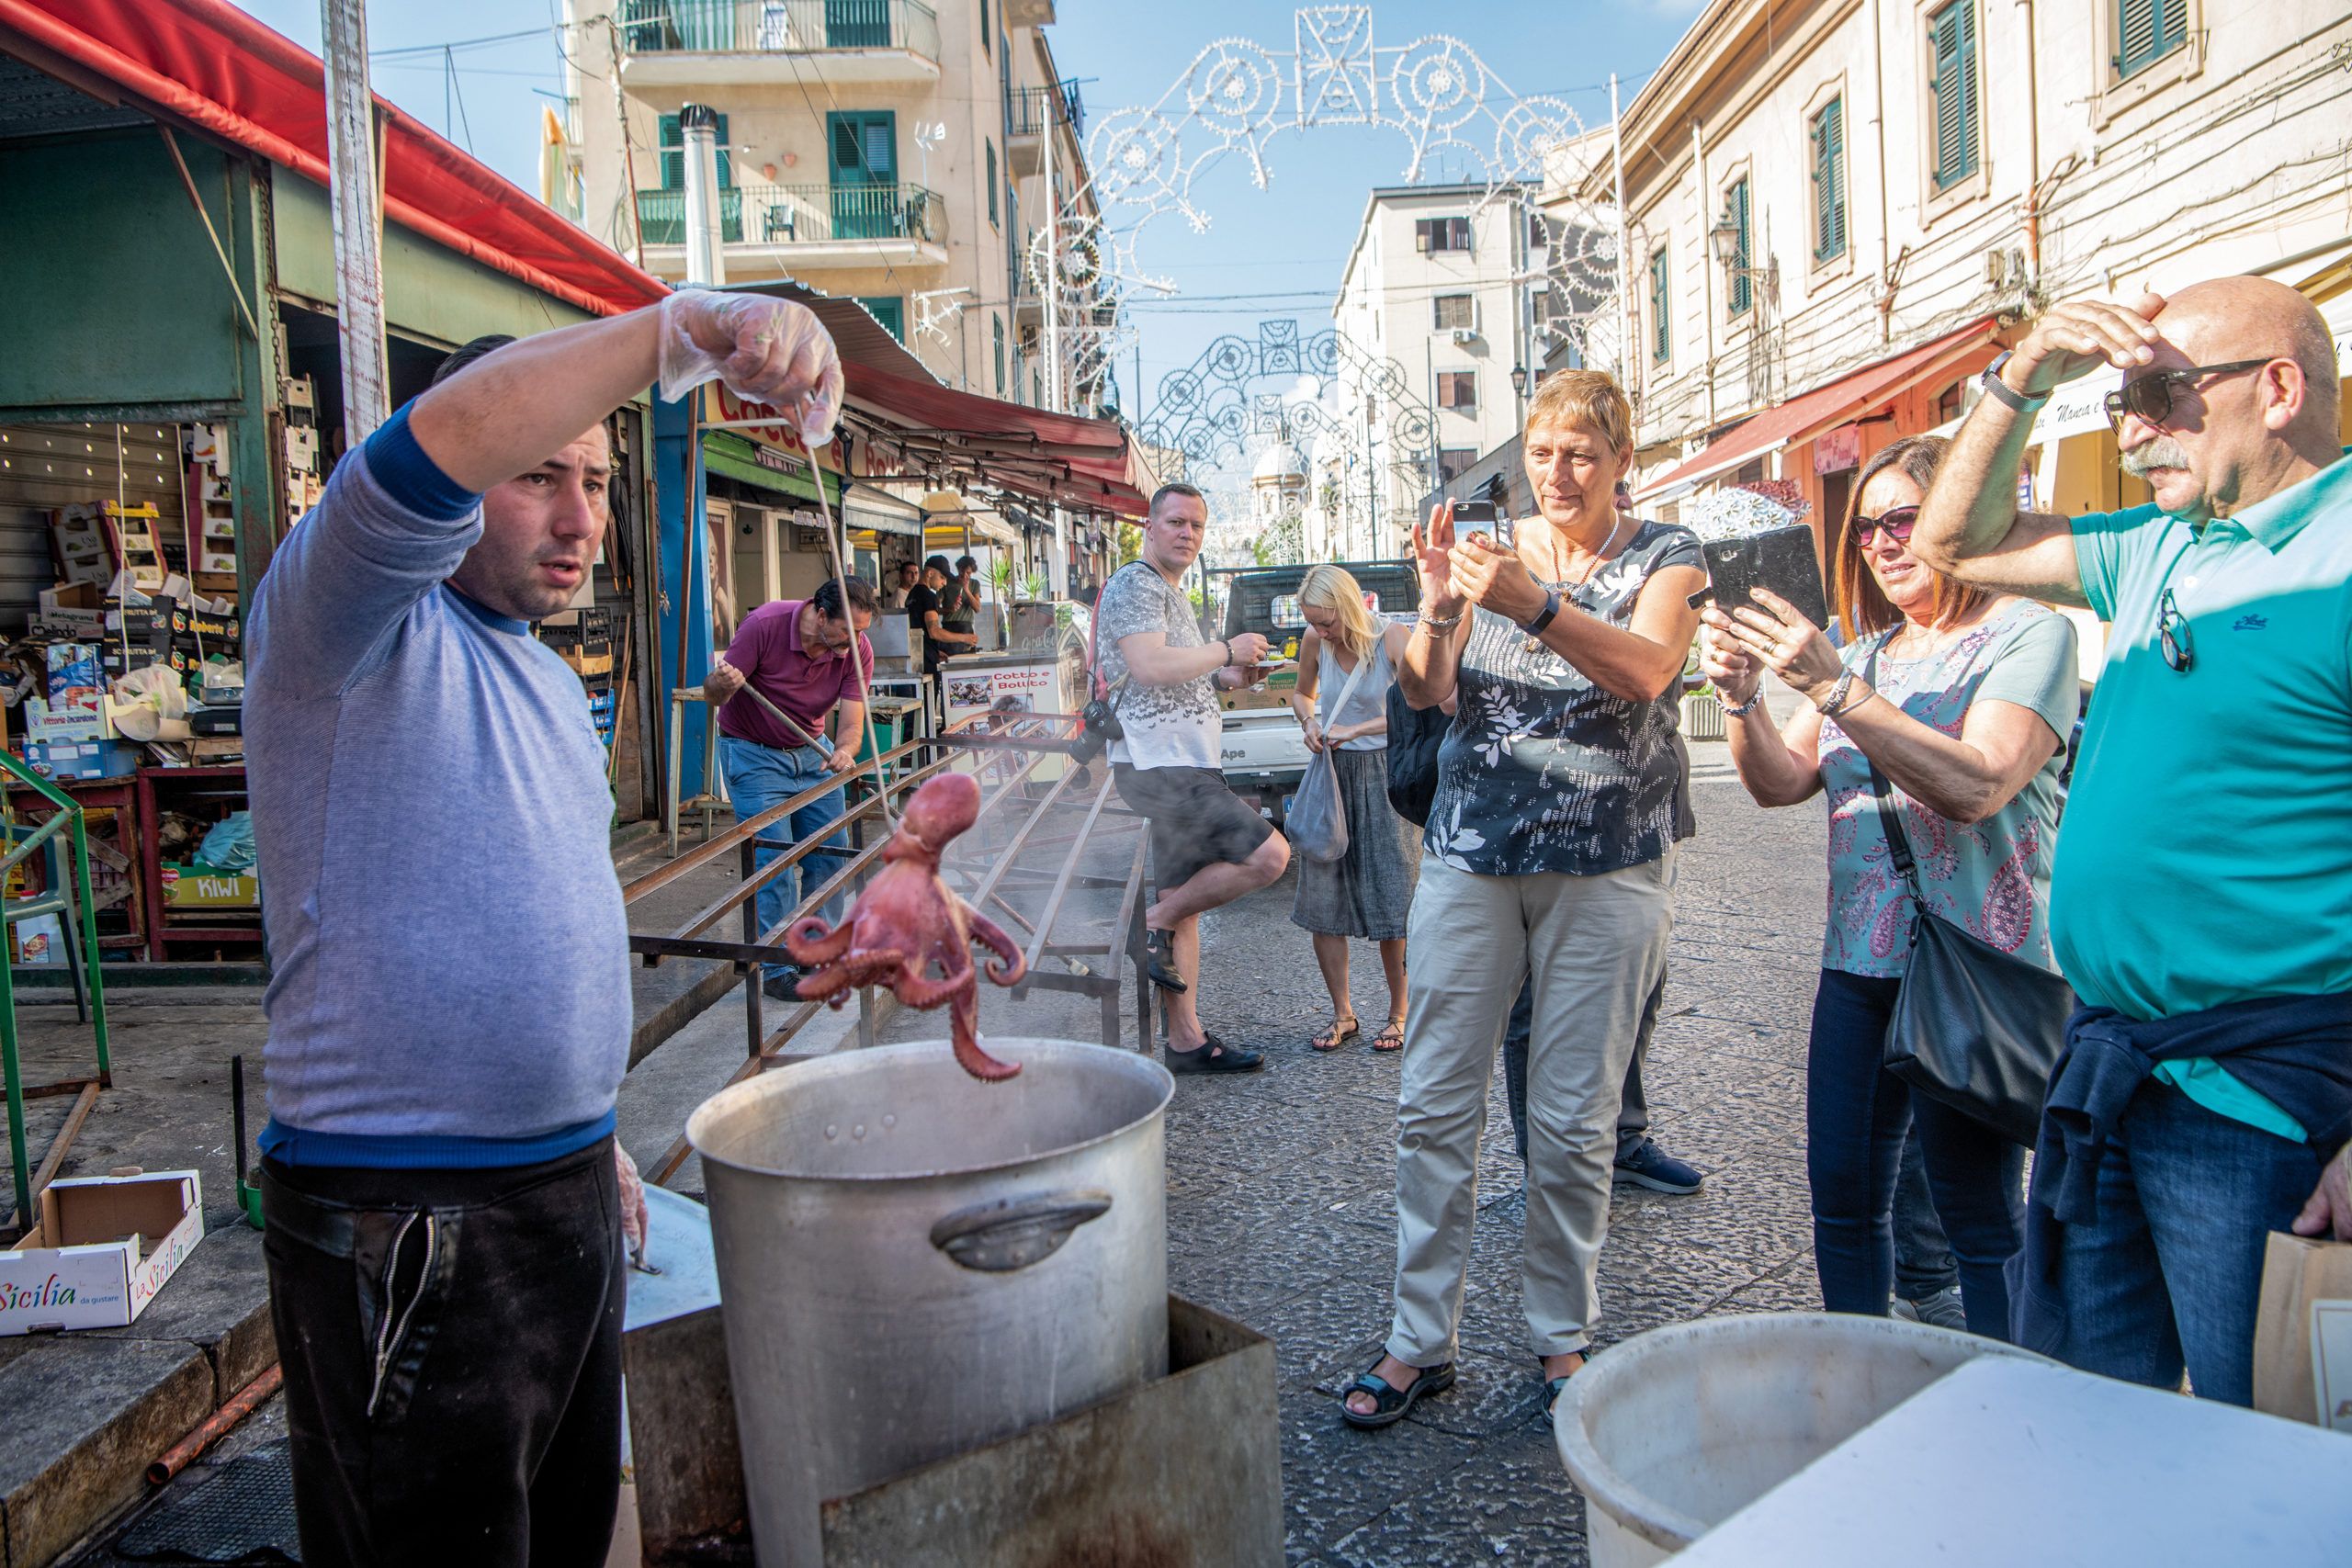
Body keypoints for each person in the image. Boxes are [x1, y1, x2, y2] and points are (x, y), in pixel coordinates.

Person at [246, 293, 841, 1561]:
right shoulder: (340, 621)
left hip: (558, 1195)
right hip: (406, 1219)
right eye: (539, 477)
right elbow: (438, 438)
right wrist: (682, 329)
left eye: (599, 481)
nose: (582, 520)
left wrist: (595, 1130)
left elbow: (523, 912)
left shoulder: (531, 663)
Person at [1907, 276, 2352, 1403]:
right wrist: (2020, 378)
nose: (2136, 427)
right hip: (2110, 1062)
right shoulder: (2155, 544)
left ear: (2279, 388)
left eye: (2161, 392)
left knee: (2271, 1458)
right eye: (2124, 401)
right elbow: (1956, 538)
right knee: (2100, 1426)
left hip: (2267, 1097)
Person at [1343, 370, 1704, 1431]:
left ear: (1619, 460)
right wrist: (1439, 607)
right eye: (1543, 451)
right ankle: (1419, 1340)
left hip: (1608, 860)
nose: (1559, 471)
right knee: (1432, 1099)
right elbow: (1423, 688)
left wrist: (1533, 604)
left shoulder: (1666, 556)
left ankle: (1561, 1337)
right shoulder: (1483, 555)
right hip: (1471, 850)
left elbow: (1646, 671)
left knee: (1574, 1117)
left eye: (1582, 452)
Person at [1700, 434, 2076, 1339]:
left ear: (1962, 518)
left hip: (1978, 972)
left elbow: (1978, 781)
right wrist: (1742, 698)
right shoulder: (1861, 655)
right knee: (1842, 1199)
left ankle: (2006, 1415)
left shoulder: (2030, 634)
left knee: (1977, 1219)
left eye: (1905, 517)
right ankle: (1859, 1393)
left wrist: (1833, 690)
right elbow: (1782, 783)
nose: (1882, 541)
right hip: (1859, 967)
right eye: (1867, 527)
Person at [1096, 482, 1292, 1073]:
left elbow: (1184, 672)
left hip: (1181, 759)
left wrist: (1236, 675)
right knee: (1271, 857)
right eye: (1176, 522)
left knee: (1184, 906)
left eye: (1197, 527)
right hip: (1159, 764)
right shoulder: (1136, 584)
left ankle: (1184, 1041)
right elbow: (1148, 665)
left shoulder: (1169, 594)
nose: (1187, 534)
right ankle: (1145, 928)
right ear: (1149, 528)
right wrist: (1223, 645)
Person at [703, 576, 879, 999]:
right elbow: (712, 693)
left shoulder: (858, 652)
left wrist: (844, 750)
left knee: (832, 857)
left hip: (812, 752)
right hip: (755, 755)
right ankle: (777, 967)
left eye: (862, 633)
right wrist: (722, 685)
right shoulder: (764, 626)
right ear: (821, 615)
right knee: (775, 861)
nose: (856, 642)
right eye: (848, 632)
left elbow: (852, 723)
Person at [1286, 564, 1418, 1052]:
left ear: (1348, 608)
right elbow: (1303, 694)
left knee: (1393, 895)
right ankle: (1343, 1014)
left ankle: (1400, 1012)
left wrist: (1355, 730)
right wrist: (1309, 724)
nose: (1321, 632)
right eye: (1315, 624)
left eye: (1327, 622)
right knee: (1324, 899)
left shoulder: (1392, 638)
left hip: (1385, 775)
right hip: (1332, 777)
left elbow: (1415, 709)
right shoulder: (1314, 641)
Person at [906, 554, 977, 726]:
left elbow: (917, 629)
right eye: (942, 578)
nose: (944, 583)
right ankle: (927, 748)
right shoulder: (929, 596)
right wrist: (964, 637)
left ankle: (917, 745)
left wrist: (935, 650)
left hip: (917, 657)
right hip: (926, 663)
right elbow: (934, 631)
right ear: (930, 574)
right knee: (927, 710)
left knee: (917, 710)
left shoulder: (912, 594)